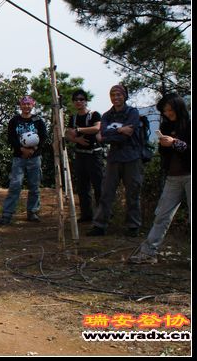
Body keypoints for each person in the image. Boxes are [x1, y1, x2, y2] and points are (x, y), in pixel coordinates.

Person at [129, 93, 190, 264]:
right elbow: (164, 153)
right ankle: (148, 253)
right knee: (162, 215)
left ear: (178, 108)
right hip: (172, 176)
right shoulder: (166, 125)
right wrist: (165, 144)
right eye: (165, 111)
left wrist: (175, 143)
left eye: (171, 110)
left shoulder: (189, 125)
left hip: (189, 174)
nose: (168, 113)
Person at [87, 84, 144, 237]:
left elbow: (126, 134)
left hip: (132, 157)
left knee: (132, 193)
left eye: (119, 94)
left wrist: (111, 134)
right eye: (113, 95)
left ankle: (133, 226)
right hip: (114, 158)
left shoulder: (132, 112)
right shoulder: (106, 115)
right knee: (106, 192)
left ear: (124, 96)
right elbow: (103, 133)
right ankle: (100, 225)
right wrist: (119, 129)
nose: (116, 97)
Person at [0, 96, 47, 225]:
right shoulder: (14, 121)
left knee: (34, 186)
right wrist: (21, 150)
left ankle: (33, 212)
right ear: (20, 105)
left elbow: (43, 137)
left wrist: (33, 150)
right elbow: (11, 137)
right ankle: (7, 214)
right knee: (15, 185)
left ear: (33, 105)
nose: (26, 106)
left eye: (28, 104)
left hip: (35, 157)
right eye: (24, 104)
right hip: (19, 157)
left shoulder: (38, 120)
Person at [64, 89, 104, 223]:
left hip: (94, 154)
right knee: (82, 187)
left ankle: (102, 215)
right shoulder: (73, 117)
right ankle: (86, 214)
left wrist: (79, 130)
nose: (78, 102)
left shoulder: (94, 115)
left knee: (98, 186)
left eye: (81, 99)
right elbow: (68, 134)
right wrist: (77, 140)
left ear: (86, 101)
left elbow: (97, 128)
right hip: (80, 154)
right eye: (76, 100)